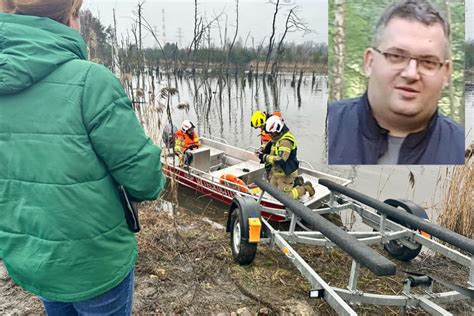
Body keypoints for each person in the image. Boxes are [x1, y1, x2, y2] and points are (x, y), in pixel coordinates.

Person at [0, 1, 165, 315]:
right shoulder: (91, 82)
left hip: (33, 259)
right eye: (78, 13)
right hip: (95, 264)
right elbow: (145, 181)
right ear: (69, 17)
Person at [328, 0, 464, 165]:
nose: (411, 74)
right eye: (396, 56)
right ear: (369, 62)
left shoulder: (464, 150)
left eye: (428, 62)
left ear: (446, 74)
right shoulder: (327, 127)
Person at [258, 116, 315, 199]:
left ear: (278, 130)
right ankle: (296, 182)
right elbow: (273, 147)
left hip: (286, 173)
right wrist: (262, 149)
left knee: (286, 198)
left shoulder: (285, 141)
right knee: (271, 192)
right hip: (277, 172)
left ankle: (305, 188)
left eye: (272, 133)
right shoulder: (277, 137)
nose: (270, 135)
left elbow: (281, 160)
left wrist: (264, 157)